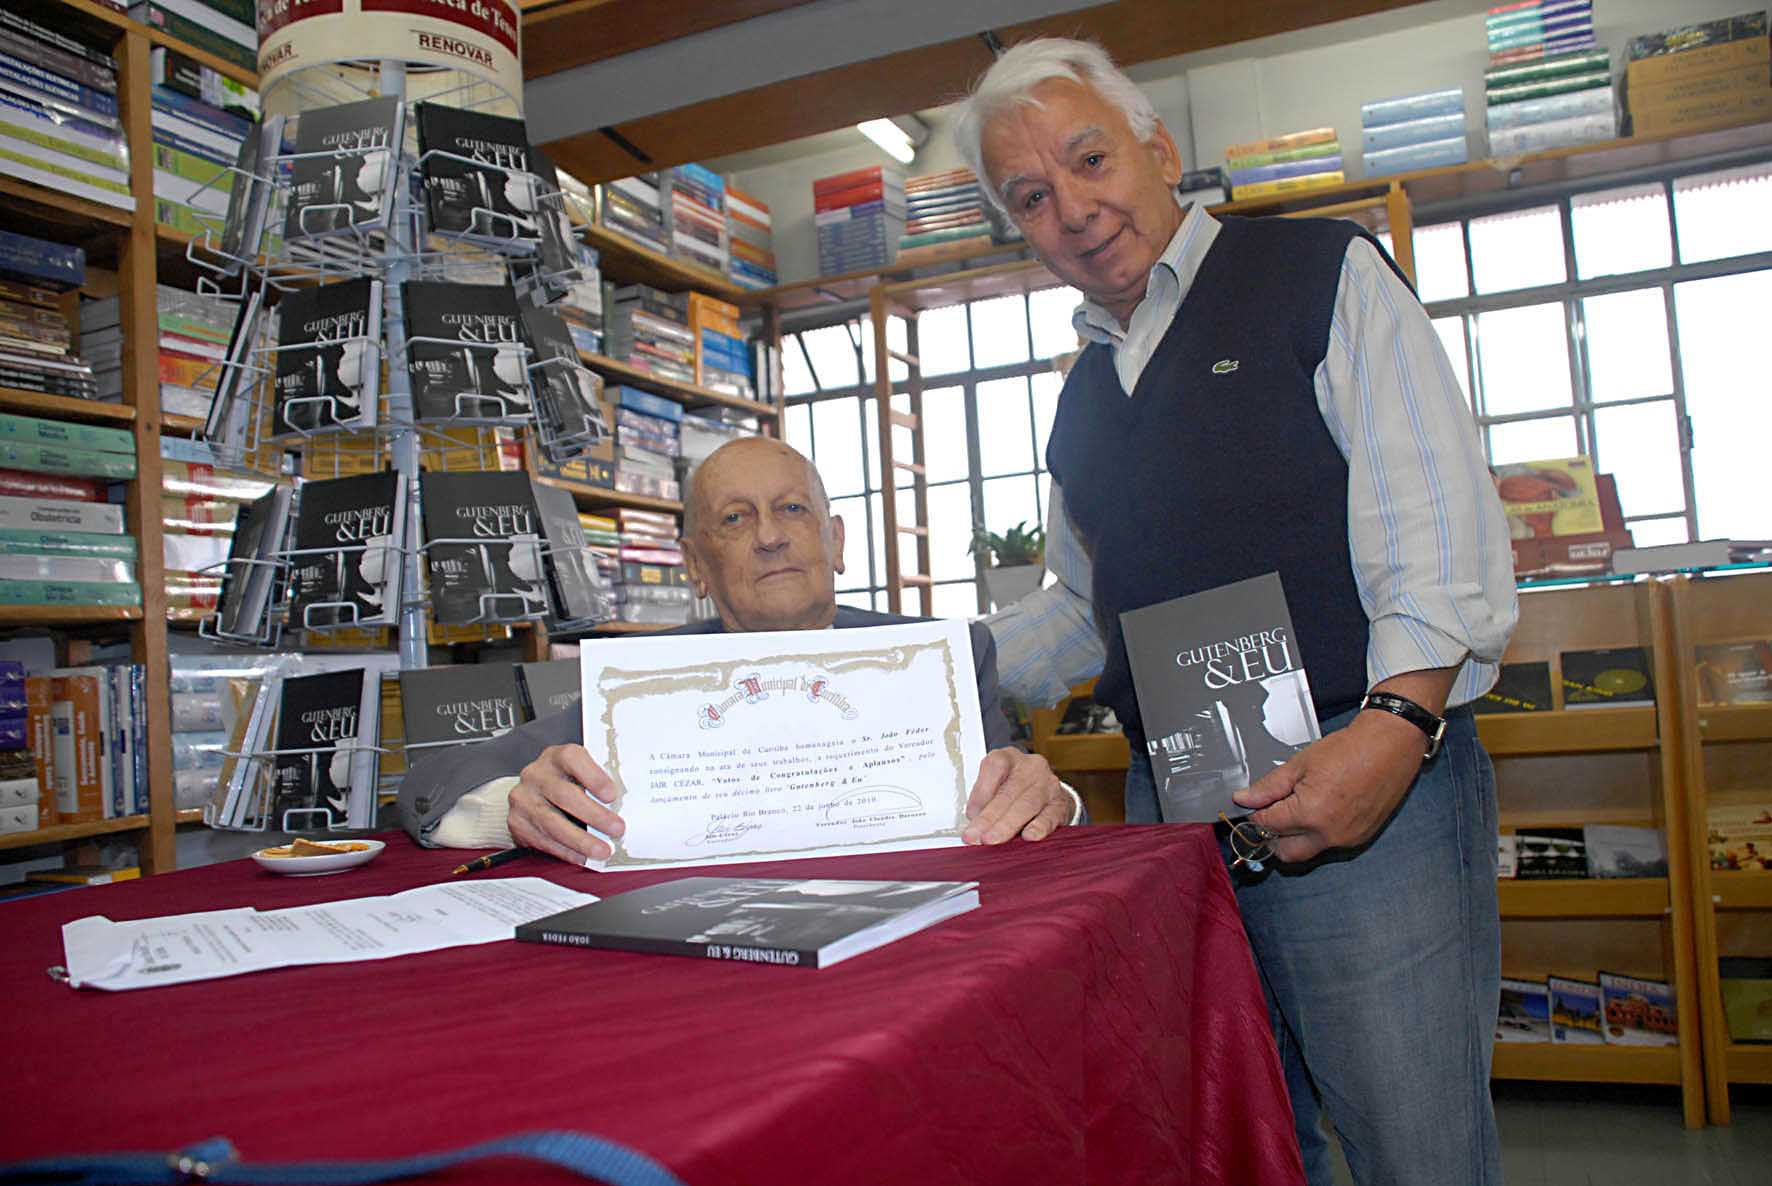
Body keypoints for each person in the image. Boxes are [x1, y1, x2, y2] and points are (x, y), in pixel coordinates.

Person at [955, 38, 1519, 1186]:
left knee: (1415, 1151)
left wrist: (1393, 732)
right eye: (1029, 196)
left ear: (1157, 148)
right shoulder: (1078, 404)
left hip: (1361, 778)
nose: (1070, 206)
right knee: (1251, 1144)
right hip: (1181, 818)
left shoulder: (1321, 275)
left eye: (1088, 157)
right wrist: (922, 668)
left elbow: (1436, 529)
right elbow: (1079, 609)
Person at [397, 436, 1078, 863]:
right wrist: (519, 807)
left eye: (791, 510)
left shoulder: (947, 658)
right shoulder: (638, 687)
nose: (771, 537)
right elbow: (431, 786)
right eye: (735, 518)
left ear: (835, 540)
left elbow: (1022, 802)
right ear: (694, 563)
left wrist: (1055, 798)